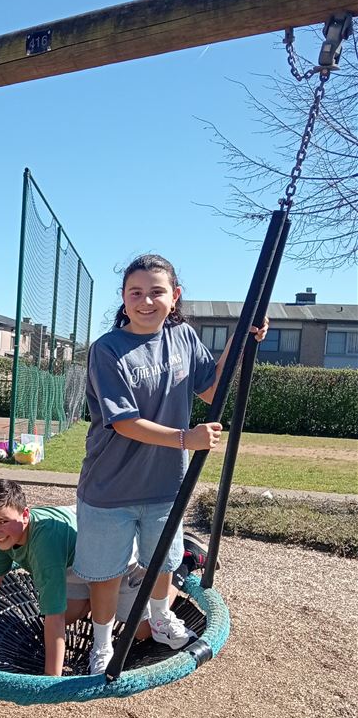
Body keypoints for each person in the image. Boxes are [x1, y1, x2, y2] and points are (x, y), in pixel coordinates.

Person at [73, 253, 268, 674]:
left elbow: (210, 390)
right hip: (110, 486)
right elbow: (124, 422)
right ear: (123, 298)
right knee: (105, 573)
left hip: (165, 483)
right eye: (136, 293)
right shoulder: (108, 350)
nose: (146, 301)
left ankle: (160, 619)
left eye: (156, 292)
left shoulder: (183, 338)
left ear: (174, 296)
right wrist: (186, 439)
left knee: (162, 560)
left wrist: (240, 341)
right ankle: (102, 643)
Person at [0, 479, 157, 677]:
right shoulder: (2, 540)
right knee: (68, 616)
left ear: (25, 515)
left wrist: (50, 678)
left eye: (3, 521)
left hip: (113, 559)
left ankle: (171, 579)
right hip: (73, 563)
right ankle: (96, 600)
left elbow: (54, 616)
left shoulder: (44, 547)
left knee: (143, 632)